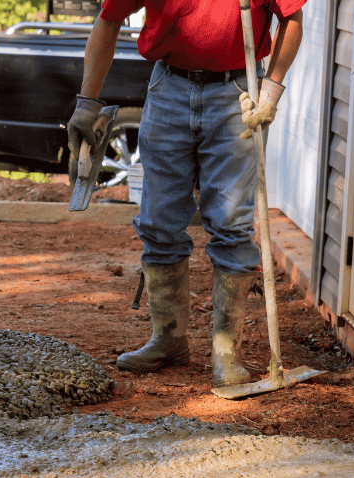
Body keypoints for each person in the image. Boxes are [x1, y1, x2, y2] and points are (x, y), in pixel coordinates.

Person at [69, 0, 305, 387]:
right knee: (159, 221)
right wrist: (86, 102)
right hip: (168, 88)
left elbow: (292, 18)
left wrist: (271, 90)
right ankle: (168, 339)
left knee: (231, 223)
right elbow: (109, 20)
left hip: (236, 92)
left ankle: (227, 353)